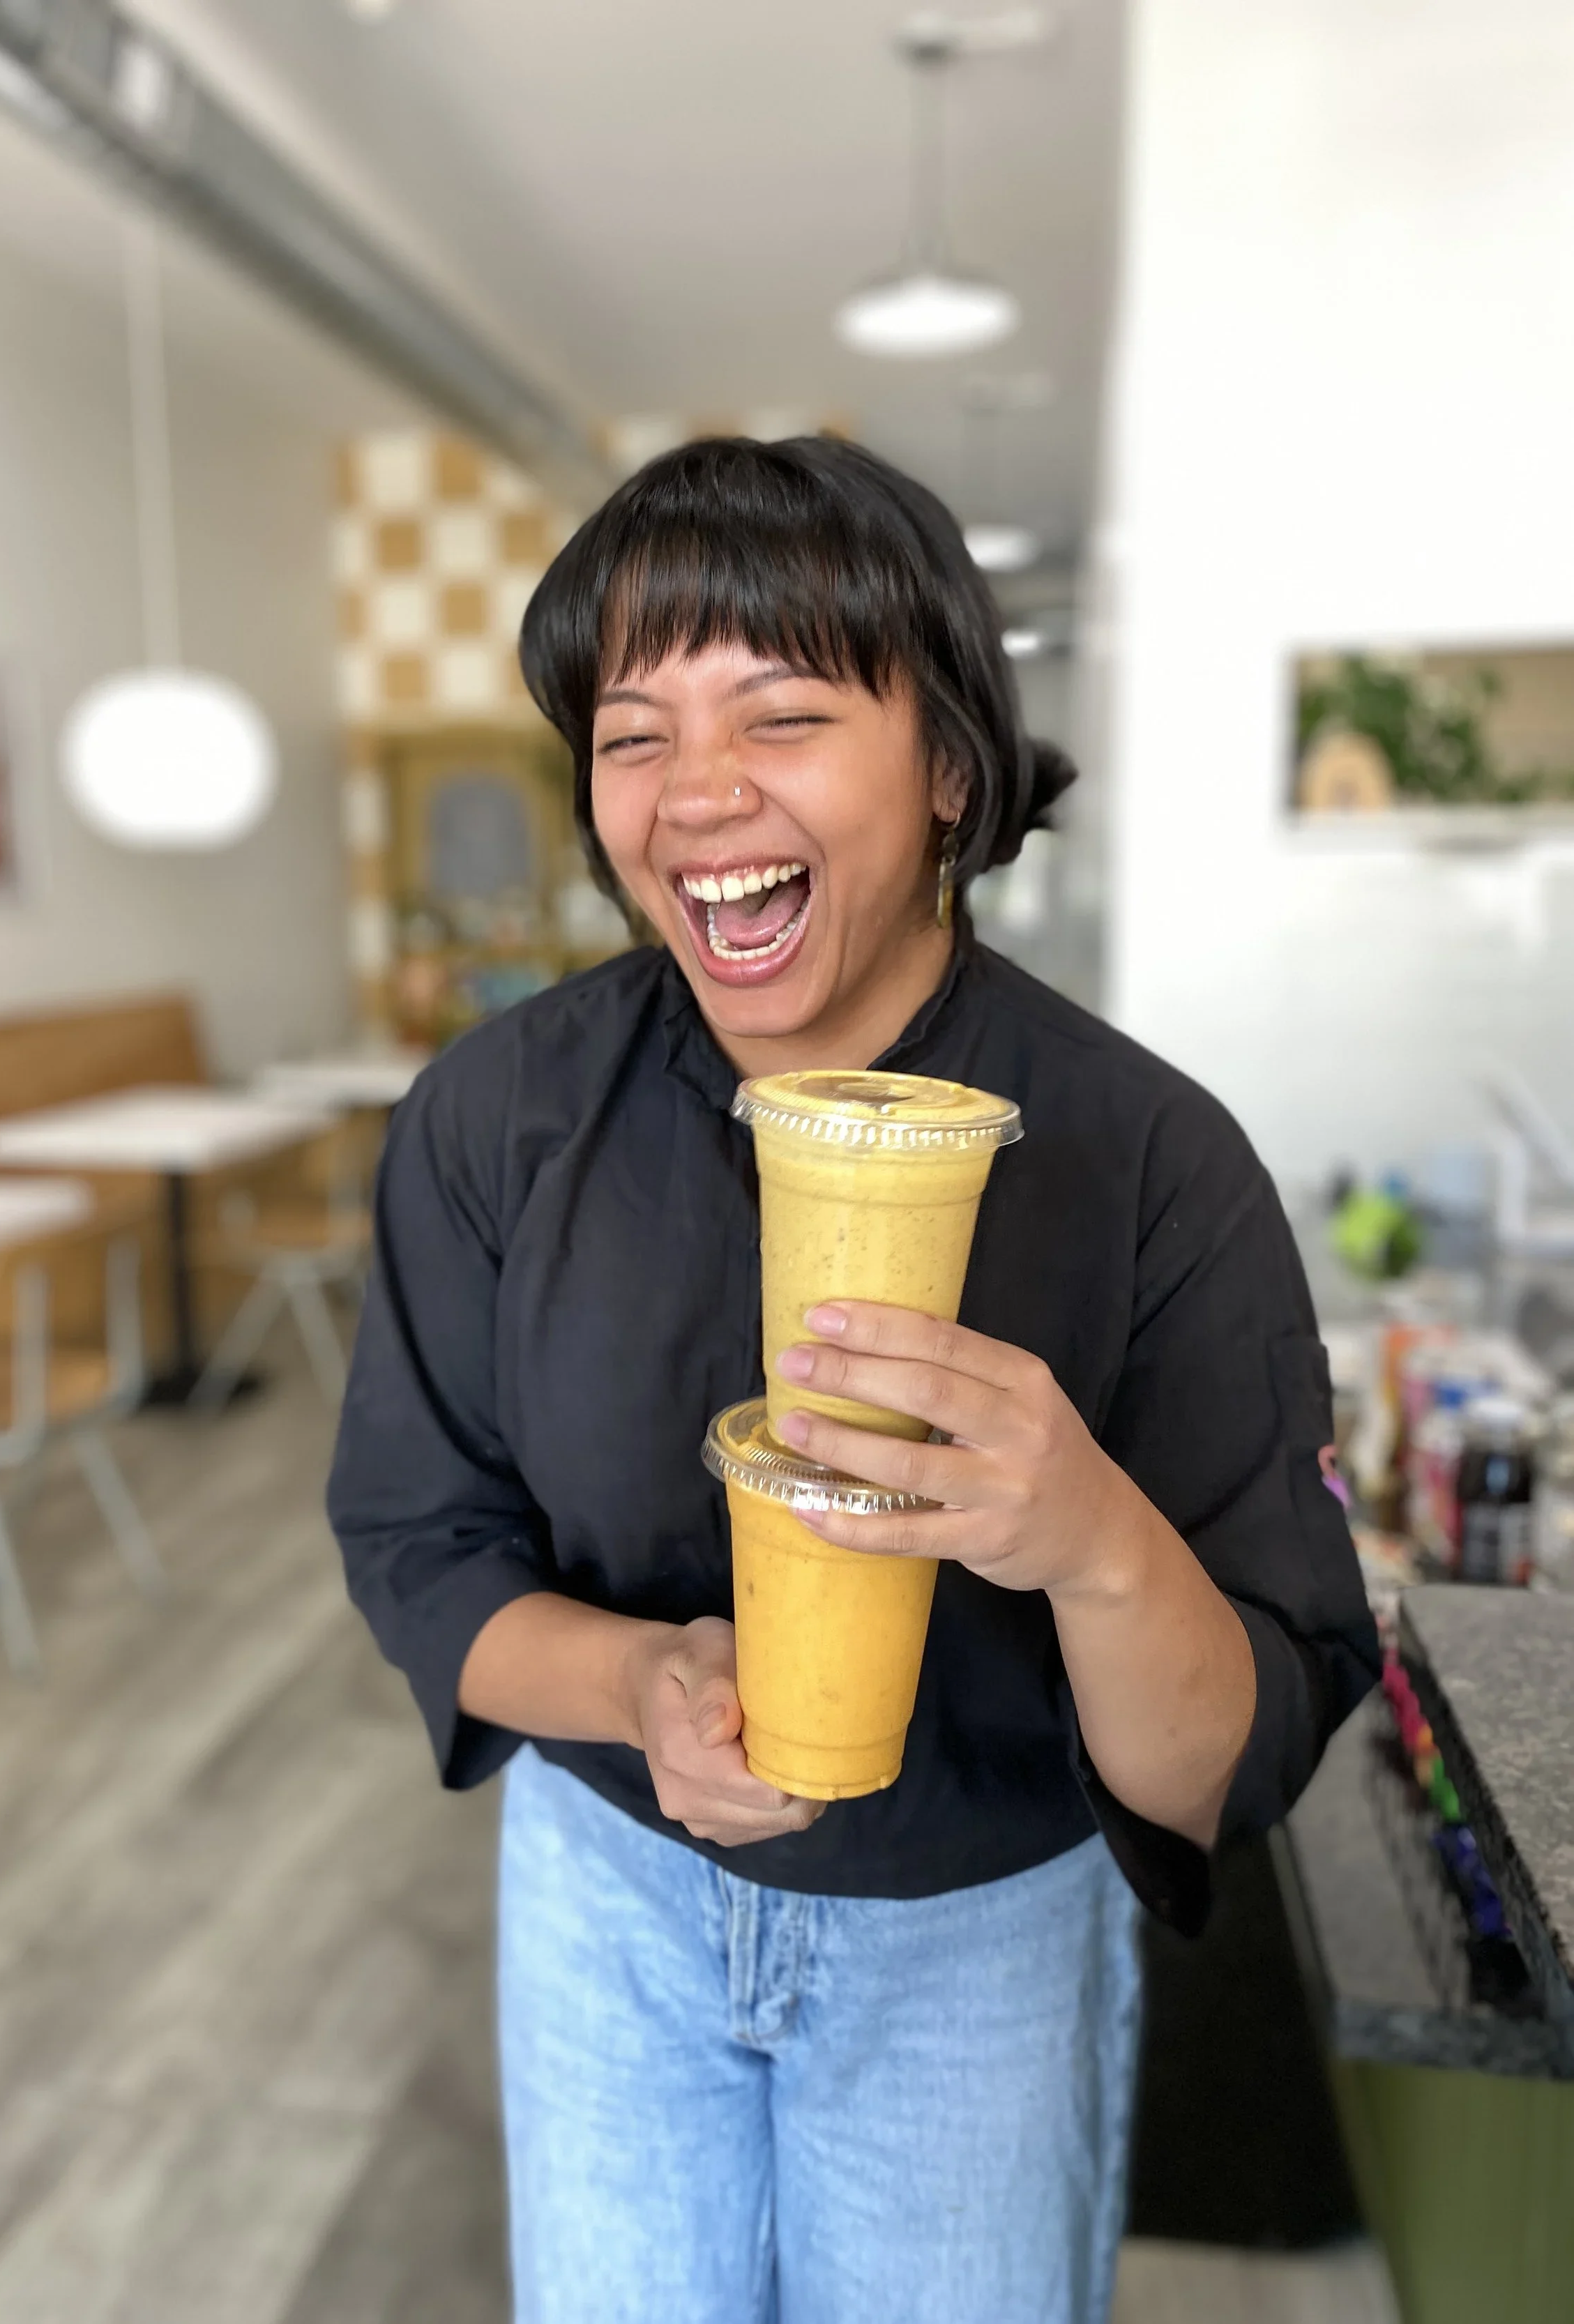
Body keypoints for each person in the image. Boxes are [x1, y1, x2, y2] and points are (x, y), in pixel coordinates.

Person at [327, 436, 1377, 2324]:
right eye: (631, 733)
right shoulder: (496, 1117)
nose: (693, 793)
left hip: (981, 1933)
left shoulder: (1149, 1162)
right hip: (608, 1897)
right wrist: (638, 1680)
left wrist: (1086, 1537)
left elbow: (1238, 1749)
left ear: (951, 764)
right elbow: (418, 1540)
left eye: (782, 713)